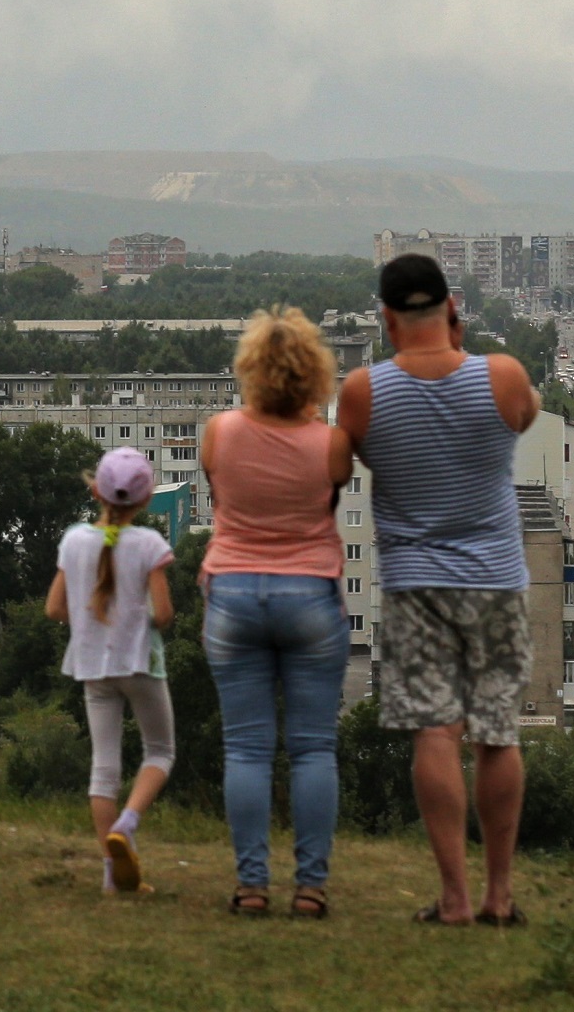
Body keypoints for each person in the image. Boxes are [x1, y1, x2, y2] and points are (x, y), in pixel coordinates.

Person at [335, 253, 539, 928]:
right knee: (497, 734)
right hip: (496, 580)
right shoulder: (501, 376)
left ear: (387, 319)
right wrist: (459, 349)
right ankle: (499, 896)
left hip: (414, 582)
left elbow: (349, 457)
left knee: (435, 731)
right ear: (452, 307)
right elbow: (527, 415)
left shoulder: (363, 391)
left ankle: (452, 897)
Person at [198, 306, 353, 918]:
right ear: (315, 374)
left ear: (250, 370)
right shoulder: (331, 443)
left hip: (234, 595)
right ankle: (310, 888)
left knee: (246, 750)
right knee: (314, 749)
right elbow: (327, 498)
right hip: (310, 596)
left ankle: (251, 885)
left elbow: (221, 493)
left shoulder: (220, 432)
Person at [44, 446, 177, 895]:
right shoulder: (150, 545)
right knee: (160, 752)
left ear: (96, 490)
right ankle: (129, 822)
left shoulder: (74, 540)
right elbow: (163, 614)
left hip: (92, 668)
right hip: (140, 663)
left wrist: (89, 620)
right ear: (144, 500)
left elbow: (54, 608)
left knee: (104, 770)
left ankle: (111, 873)